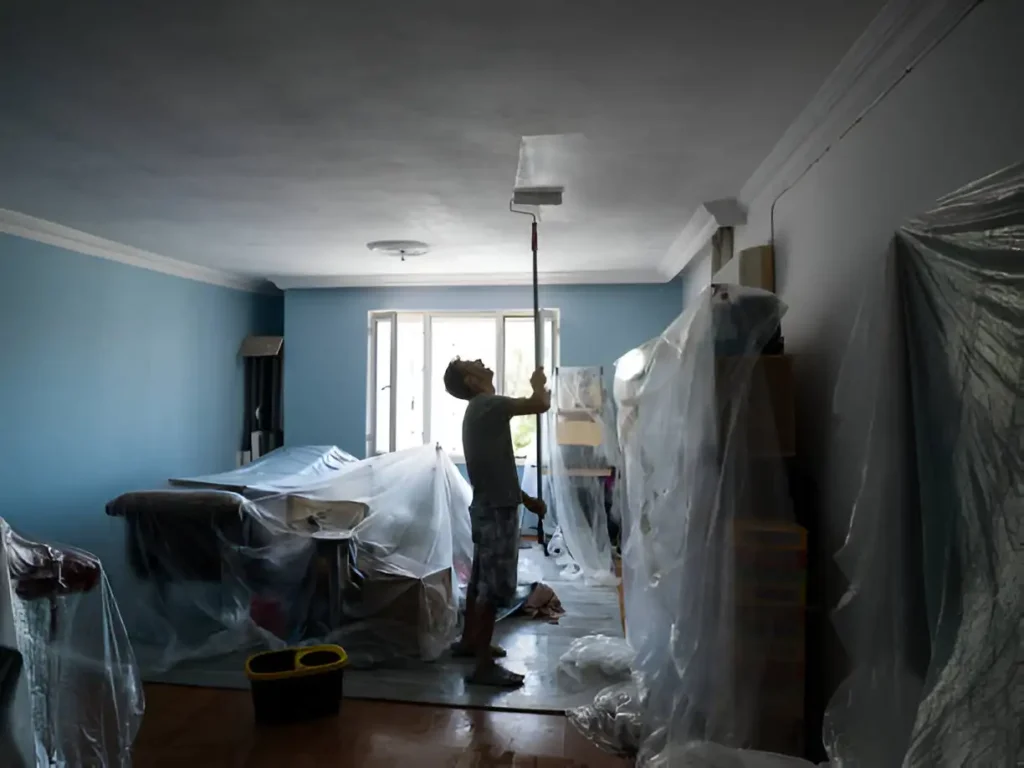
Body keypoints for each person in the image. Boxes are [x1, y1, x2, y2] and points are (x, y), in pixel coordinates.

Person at [443, 357, 550, 687]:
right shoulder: (487, 404)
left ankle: (470, 642)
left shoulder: (480, 411)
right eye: (471, 364)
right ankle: (483, 667)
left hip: (489, 507)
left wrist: (527, 500)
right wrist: (538, 385)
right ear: (471, 381)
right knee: (492, 587)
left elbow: (497, 469)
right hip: (497, 512)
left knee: (480, 580)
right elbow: (540, 404)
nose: (481, 361)